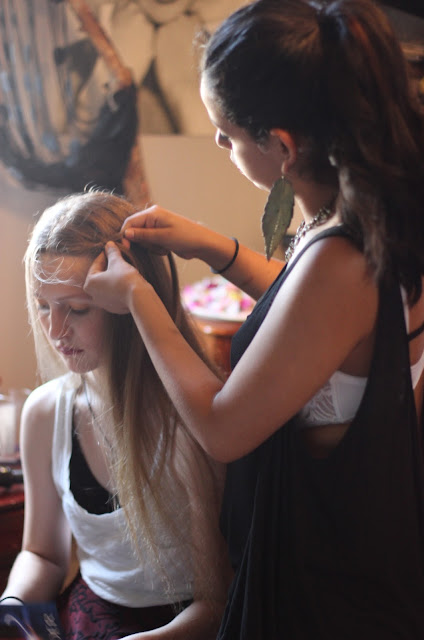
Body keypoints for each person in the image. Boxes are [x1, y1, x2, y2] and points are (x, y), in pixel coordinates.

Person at [83, 0, 424, 638]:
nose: (219, 144)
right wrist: (213, 247)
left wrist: (139, 299)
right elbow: (315, 327)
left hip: (328, 582)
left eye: (227, 133)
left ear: (282, 146)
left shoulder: (341, 262)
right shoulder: (366, 214)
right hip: (346, 549)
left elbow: (223, 428)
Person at [0, 191, 230, 640]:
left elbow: (217, 604)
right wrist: (13, 607)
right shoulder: (45, 413)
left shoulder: (191, 425)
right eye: (43, 306)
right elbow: (43, 555)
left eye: (78, 309)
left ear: (130, 305)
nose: (55, 330)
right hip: (94, 607)